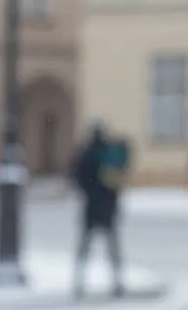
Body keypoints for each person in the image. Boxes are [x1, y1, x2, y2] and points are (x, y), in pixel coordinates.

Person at [72, 122, 125, 299]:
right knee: (112, 247)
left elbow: (77, 177)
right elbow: (118, 178)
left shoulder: (86, 155)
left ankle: (79, 282)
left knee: (85, 247)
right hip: (108, 206)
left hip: (92, 206)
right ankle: (117, 281)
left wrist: (90, 189)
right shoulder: (109, 155)